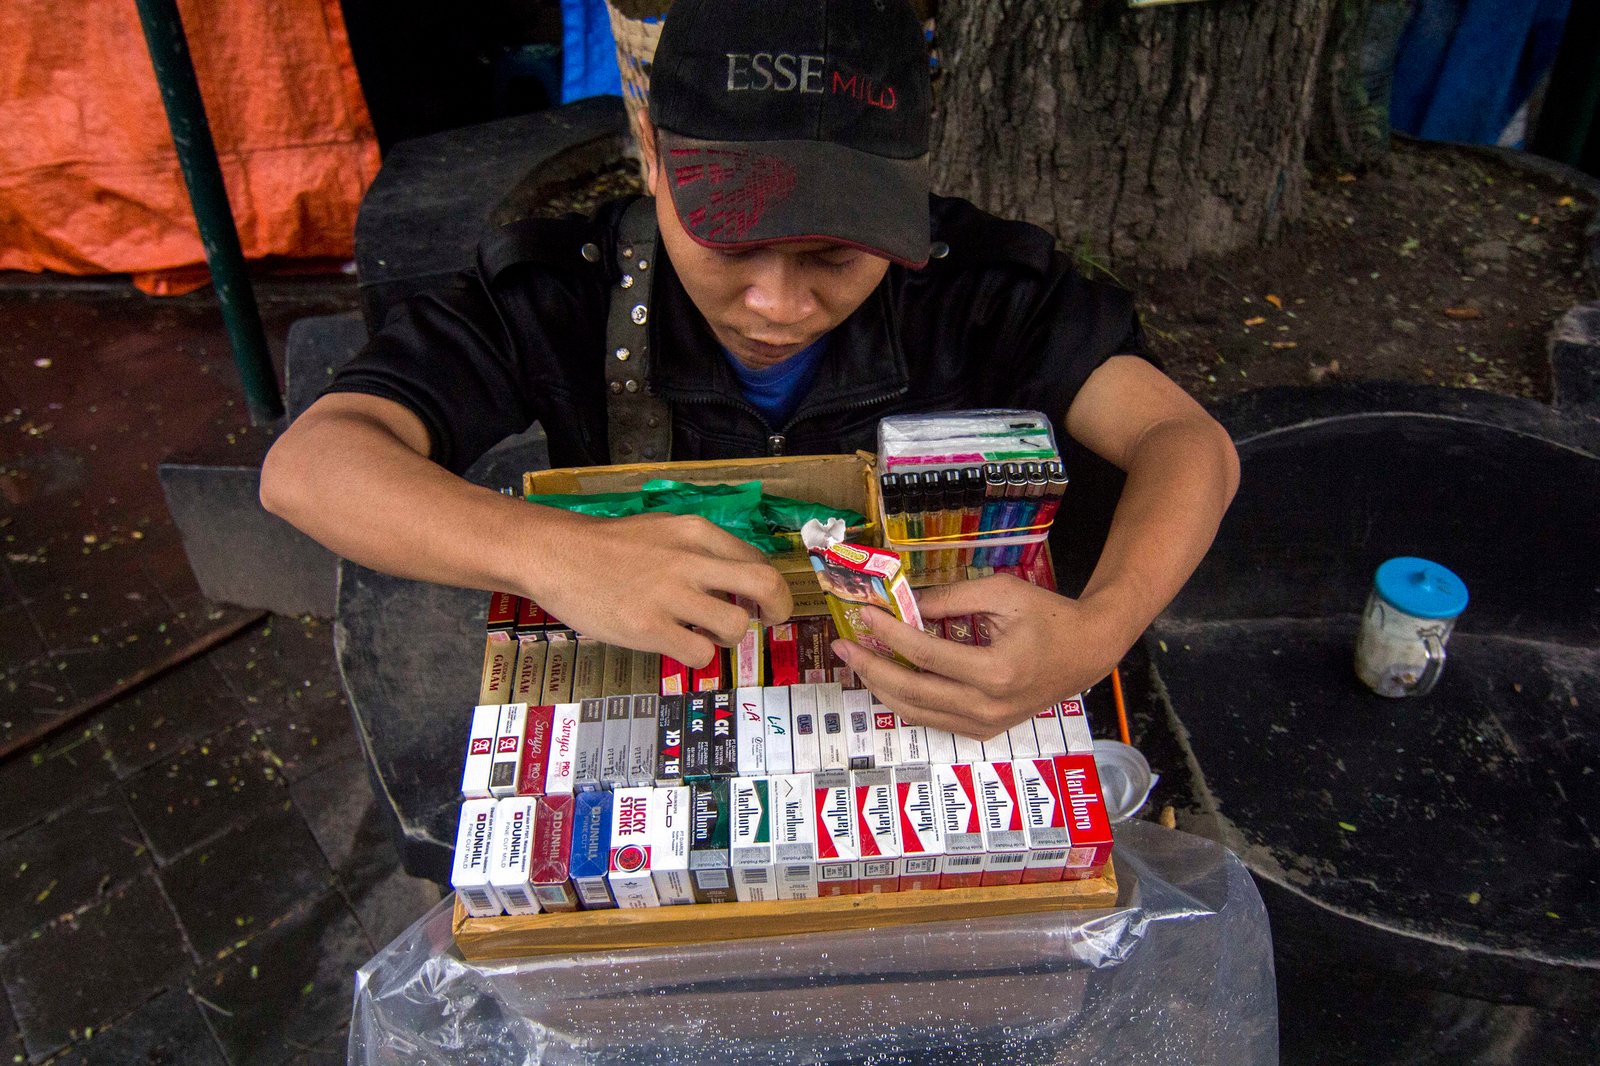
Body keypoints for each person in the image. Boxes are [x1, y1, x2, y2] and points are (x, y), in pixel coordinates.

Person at [260, 0, 1239, 741]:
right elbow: (312, 466)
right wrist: (553, 552)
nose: (778, 304)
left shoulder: (982, 290)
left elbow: (1184, 442)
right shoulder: (562, 289)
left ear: (908, 200)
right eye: (730, 242)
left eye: (834, 255)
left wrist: (1097, 630)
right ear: (653, 156)